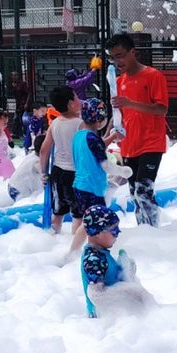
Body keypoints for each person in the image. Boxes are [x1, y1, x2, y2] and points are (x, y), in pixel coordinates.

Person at [108, 33, 169, 228]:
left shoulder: (153, 76)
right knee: (134, 193)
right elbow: (119, 113)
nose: (117, 61)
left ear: (133, 52)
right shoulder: (119, 82)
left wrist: (130, 103)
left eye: (120, 55)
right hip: (129, 144)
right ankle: (143, 232)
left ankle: (153, 231)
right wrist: (109, 133)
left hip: (151, 142)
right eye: (113, 57)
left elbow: (162, 109)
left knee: (143, 191)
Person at [68, 98, 130, 253]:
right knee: (90, 222)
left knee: (82, 219)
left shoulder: (79, 136)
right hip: (92, 187)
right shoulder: (92, 138)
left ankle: (74, 249)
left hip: (79, 185)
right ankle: (75, 252)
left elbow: (97, 146)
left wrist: (113, 136)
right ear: (100, 119)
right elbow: (105, 165)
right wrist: (122, 171)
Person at [80, 205, 152, 318]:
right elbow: (97, 295)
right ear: (97, 233)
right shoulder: (93, 260)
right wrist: (133, 291)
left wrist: (125, 270)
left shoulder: (100, 253)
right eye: (114, 230)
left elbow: (110, 278)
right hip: (103, 317)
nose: (118, 233)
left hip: (116, 314)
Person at [39, 86, 83, 235]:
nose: (79, 100)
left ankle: (51, 239)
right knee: (78, 216)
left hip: (57, 173)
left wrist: (43, 173)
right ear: (71, 104)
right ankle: (74, 245)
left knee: (57, 213)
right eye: (76, 97)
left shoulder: (55, 123)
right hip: (75, 175)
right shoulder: (80, 124)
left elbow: (44, 150)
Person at [8, 135, 45, 202]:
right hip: (18, 191)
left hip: (11, 186)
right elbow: (44, 176)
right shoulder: (37, 162)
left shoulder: (32, 155)